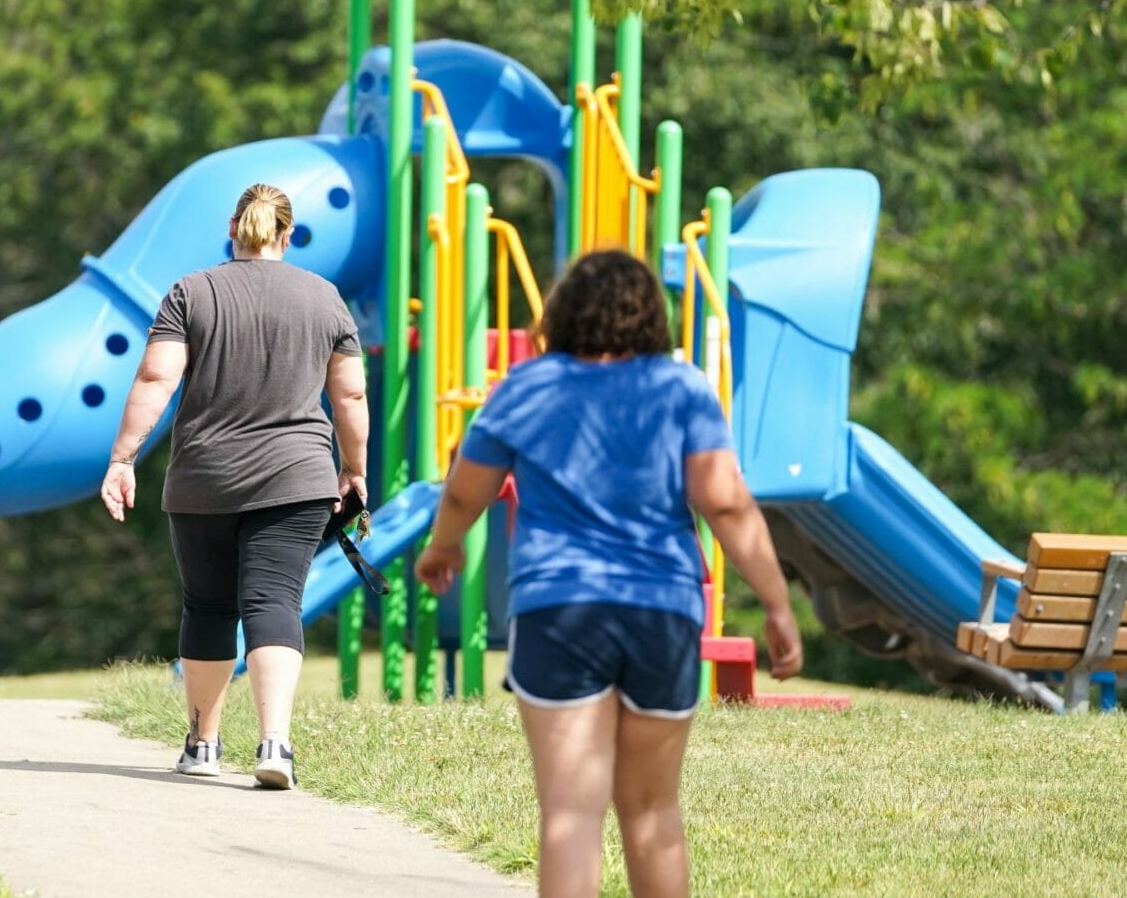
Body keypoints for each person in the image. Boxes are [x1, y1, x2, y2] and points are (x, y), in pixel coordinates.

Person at [415, 250, 802, 897]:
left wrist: (443, 546)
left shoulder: (528, 385)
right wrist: (777, 603)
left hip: (558, 609)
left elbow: (464, 490)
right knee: (653, 815)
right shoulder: (681, 388)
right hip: (662, 610)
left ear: (564, 311)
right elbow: (726, 500)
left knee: (571, 815)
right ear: (650, 315)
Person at [101, 183, 369, 790]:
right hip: (297, 476)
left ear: (233, 226)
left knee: (210, 607)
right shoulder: (325, 299)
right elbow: (349, 393)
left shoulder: (191, 292)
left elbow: (155, 378)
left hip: (204, 477)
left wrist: (124, 459)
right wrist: (354, 469)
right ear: (289, 233)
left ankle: (202, 744)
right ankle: (275, 744)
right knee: (274, 604)